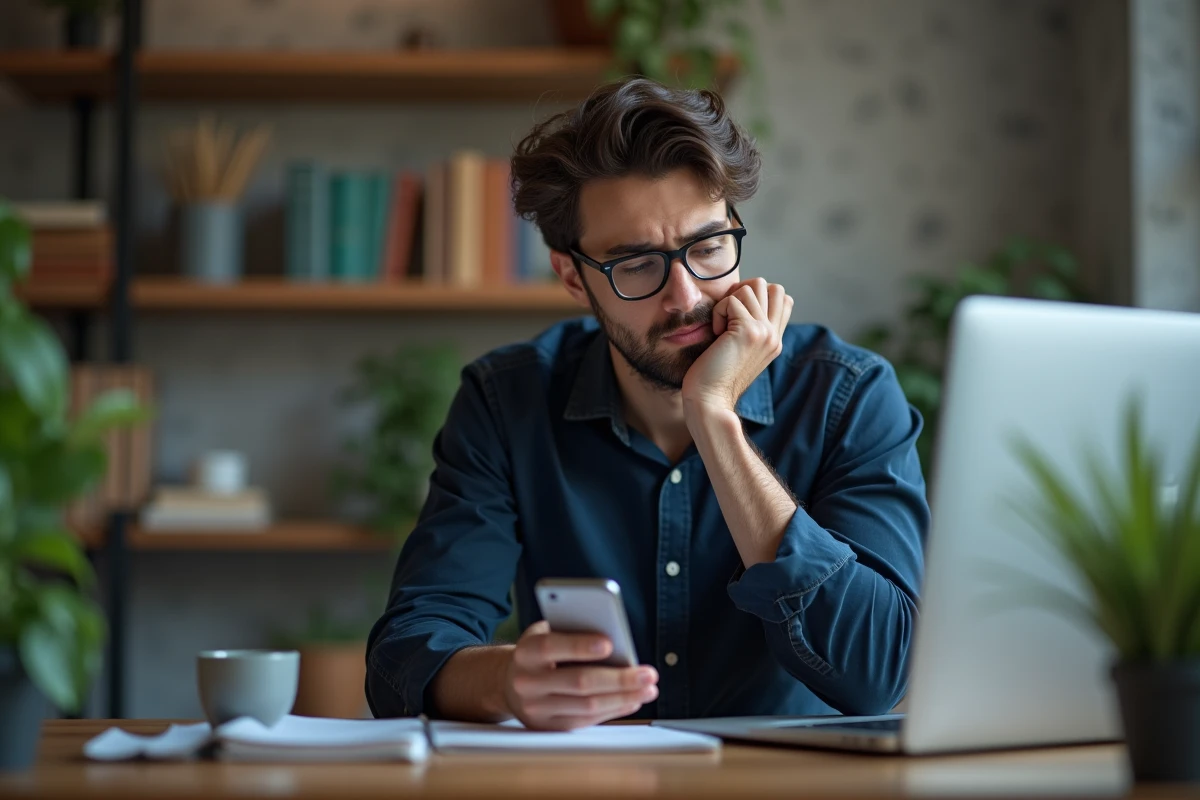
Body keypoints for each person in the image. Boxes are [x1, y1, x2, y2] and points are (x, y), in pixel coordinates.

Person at [365, 77, 928, 731]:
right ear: (574, 278)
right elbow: (405, 657)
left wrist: (714, 418)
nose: (686, 296)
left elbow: (878, 675)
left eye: (709, 247)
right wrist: (504, 683)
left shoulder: (849, 395)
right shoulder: (506, 401)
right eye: (635, 264)